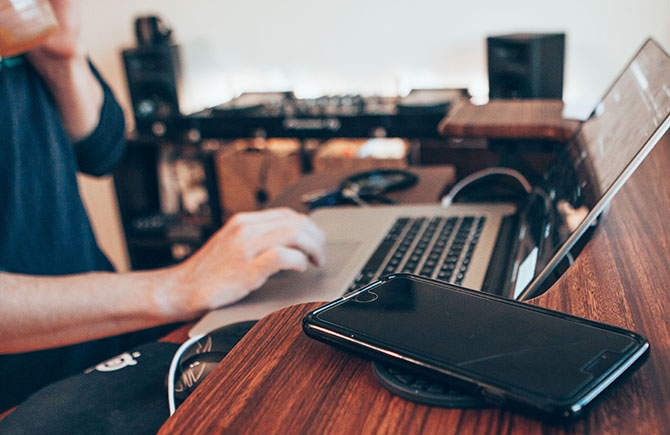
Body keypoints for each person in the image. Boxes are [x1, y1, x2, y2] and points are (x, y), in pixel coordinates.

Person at [0, 0, 325, 411]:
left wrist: (63, 57)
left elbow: (102, 149)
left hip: (101, 339)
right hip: (18, 395)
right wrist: (177, 286)